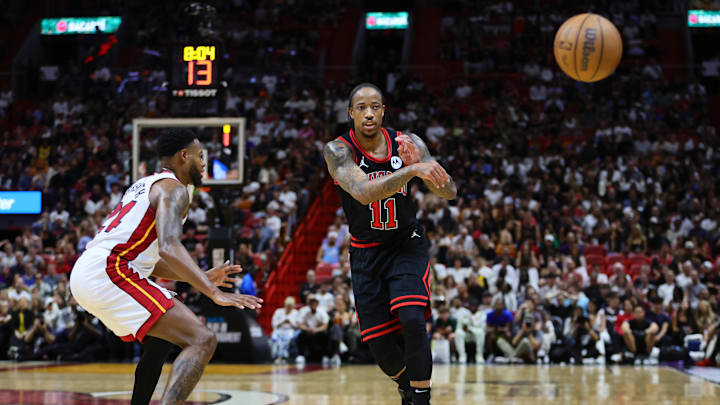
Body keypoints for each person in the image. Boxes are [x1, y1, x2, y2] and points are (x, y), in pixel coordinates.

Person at [69, 129, 262, 405]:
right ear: (184, 156)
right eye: (201, 156)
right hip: (110, 271)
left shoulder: (146, 184)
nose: (205, 163)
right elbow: (169, 247)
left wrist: (200, 277)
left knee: (162, 340)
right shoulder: (174, 190)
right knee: (203, 340)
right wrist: (211, 291)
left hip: (96, 270)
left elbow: (152, 260)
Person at [323, 83, 456, 405]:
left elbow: (449, 191)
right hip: (366, 252)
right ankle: (406, 387)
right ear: (351, 113)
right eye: (362, 107)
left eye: (376, 106)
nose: (369, 113)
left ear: (383, 110)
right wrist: (412, 170)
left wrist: (426, 174)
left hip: (405, 243)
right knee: (381, 348)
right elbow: (365, 192)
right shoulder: (338, 150)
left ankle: (421, 399)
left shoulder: (408, 142)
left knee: (412, 319)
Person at [271, 296, 299, 364]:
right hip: (279, 330)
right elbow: (273, 324)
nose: (289, 308)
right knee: (276, 338)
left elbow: (297, 326)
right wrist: (282, 322)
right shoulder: (278, 311)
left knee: (286, 339)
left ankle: (283, 357)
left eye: (290, 306)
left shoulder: (295, 312)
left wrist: (290, 322)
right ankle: (276, 356)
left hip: (290, 330)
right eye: (287, 306)